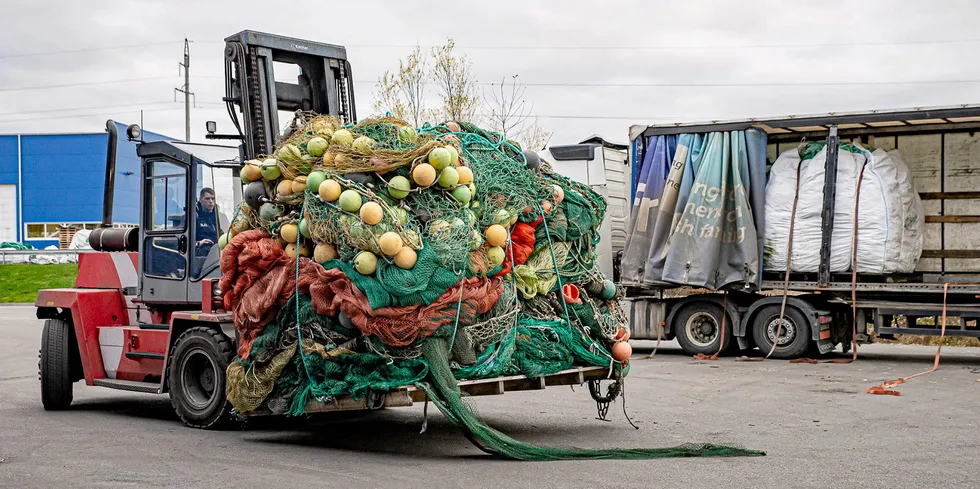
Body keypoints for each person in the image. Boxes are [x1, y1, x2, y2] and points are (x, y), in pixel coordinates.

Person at [195, 187, 218, 253]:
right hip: (200, 253)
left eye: (213, 199)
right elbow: (185, 240)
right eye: (207, 198)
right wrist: (199, 243)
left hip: (216, 251)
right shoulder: (194, 217)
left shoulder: (216, 216)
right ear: (200, 200)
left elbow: (221, 233)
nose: (211, 201)